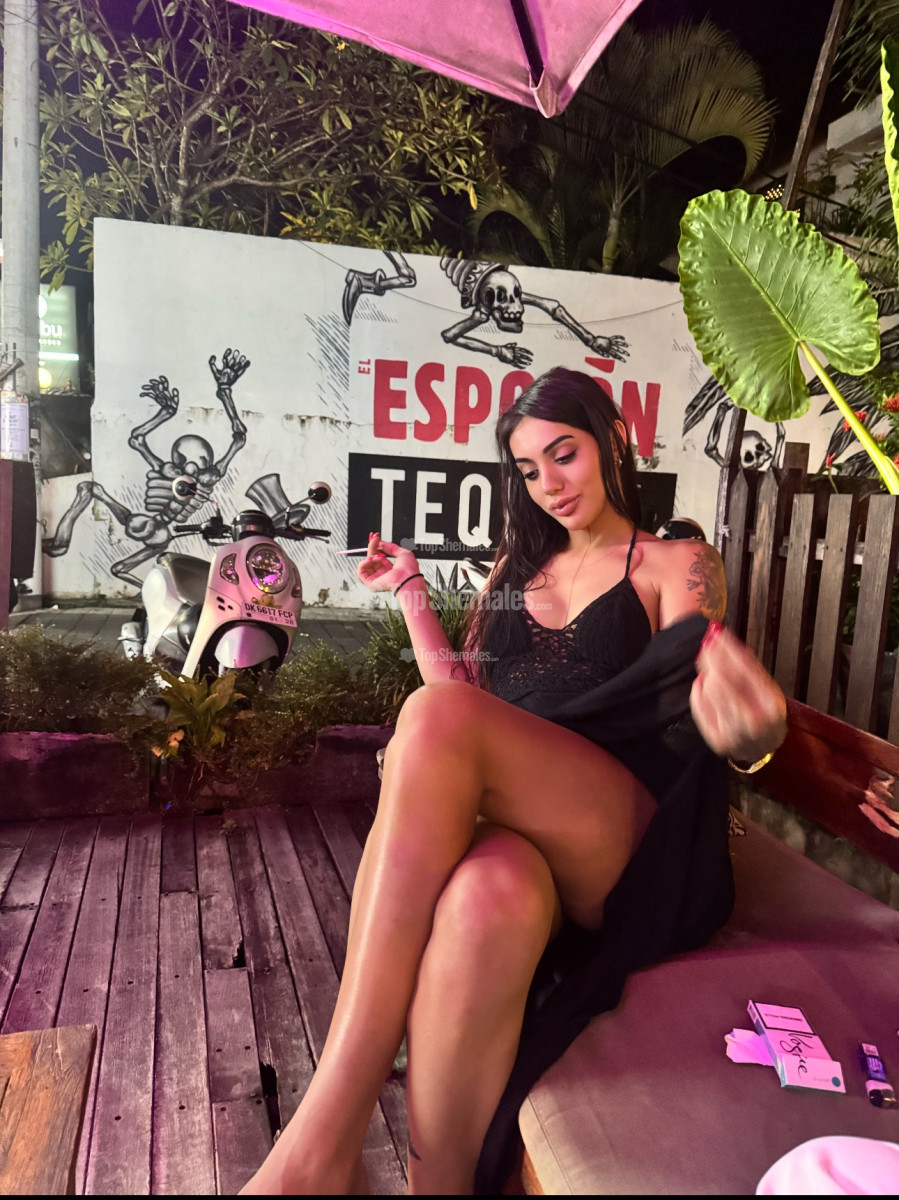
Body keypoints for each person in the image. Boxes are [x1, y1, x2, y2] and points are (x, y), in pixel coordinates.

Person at [240, 366, 787, 1197]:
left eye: (563, 455)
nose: (549, 484)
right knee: (484, 896)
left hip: (630, 844)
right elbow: (462, 696)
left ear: (612, 441)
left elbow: (697, 671)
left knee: (434, 720)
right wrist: (412, 592)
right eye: (528, 470)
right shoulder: (511, 572)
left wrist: (746, 726)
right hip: (527, 832)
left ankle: (321, 1146)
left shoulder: (675, 560)